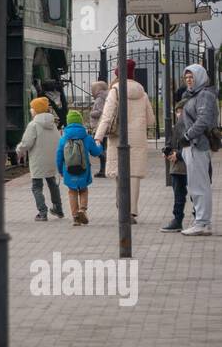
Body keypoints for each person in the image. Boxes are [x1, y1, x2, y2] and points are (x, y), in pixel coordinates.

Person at [93, 58, 155, 221]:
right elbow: (151, 120)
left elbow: (106, 116)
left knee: (120, 173)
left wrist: (98, 136)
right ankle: (132, 211)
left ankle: (123, 208)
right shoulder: (143, 93)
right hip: (138, 139)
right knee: (134, 175)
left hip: (120, 138)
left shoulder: (116, 91)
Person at [179, 62, 218, 236]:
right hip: (191, 145)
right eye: (186, 77)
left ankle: (202, 222)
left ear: (200, 77)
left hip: (198, 144)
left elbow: (203, 120)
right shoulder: (192, 95)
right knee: (195, 184)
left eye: (191, 77)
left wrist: (187, 136)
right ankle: (201, 221)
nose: (188, 80)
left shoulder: (204, 95)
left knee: (200, 185)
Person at [16, 96, 64, 221]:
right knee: (52, 183)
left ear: (36, 110)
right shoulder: (53, 124)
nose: (31, 110)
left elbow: (26, 143)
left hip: (38, 159)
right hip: (51, 159)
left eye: (32, 108)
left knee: (36, 186)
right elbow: (58, 140)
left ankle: (42, 212)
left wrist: (19, 150)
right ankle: (58, 209)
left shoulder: (33, 125)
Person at [57, 109, 104, 226]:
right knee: (83, 190)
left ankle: (75, 217)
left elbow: (59, 156)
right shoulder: (86, 137)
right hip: (84, 170)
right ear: (81, 122)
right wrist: (100, 145)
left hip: (68, 170)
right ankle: (82, 210)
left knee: (72, 191)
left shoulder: (63, 139)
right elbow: (96, 152)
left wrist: (60, 170)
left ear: (68, 123)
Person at [161, 101, 189, 233]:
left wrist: (177, 154)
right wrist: (167, 151)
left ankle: (198, 218)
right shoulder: (177, 126)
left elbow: (192, 145)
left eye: (182, 111)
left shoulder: (191, 126)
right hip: (177, 167)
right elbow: (170, 142)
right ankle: (177, 219)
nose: (180, 114)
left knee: (195, 193)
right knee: (178, 194)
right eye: (178, 111)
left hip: (188, 165)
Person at [89, 80, 110, 177]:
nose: (91, 91)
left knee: (100, 150)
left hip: (100, 128)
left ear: (98, 89)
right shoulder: (106, 97)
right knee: (103, 148)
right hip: (104, 128)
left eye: (92, 89)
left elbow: (101, 112)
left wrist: (91, 113)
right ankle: (103, 169)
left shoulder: (100, 99)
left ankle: (104, 170)